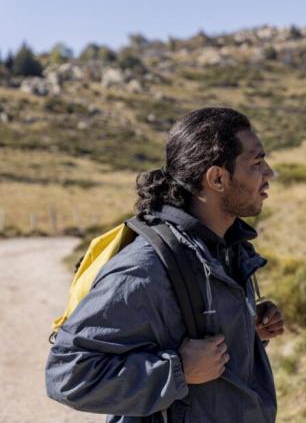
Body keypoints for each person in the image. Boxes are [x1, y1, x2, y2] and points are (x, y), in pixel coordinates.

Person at [46, 107, 282, 423]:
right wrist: (177, 370)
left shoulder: (227, 248)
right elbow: (67, 375)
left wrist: (245, 328)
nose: (269, 174)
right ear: (217, 178)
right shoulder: (146, 268)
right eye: (256, 163)